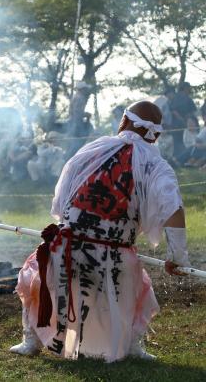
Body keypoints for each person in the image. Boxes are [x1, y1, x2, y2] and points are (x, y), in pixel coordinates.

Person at [10, 101, 190, 362]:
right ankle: (131, 345)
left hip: (69, 249)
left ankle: (31, 340)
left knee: (34, 277)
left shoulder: (92, 150)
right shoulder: (156, 164)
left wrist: (70, 227)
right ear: (156, 134)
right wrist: (178, 256)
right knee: (139, 289)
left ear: (124, 122)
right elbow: (174, 208)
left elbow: (61, 202)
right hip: (115, 256)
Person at [169, 82, 197, 157]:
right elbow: (173, 110)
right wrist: (182, 119)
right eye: (188, 88)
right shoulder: (177, 98)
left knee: (185, 142)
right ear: (185, 88)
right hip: (178, 124)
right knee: (178, 142)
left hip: (187, 123)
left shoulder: (188, 98)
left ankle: (183, 158)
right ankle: (177, 159)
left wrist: (189, 119)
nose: (189, 89)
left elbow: (193, 111)